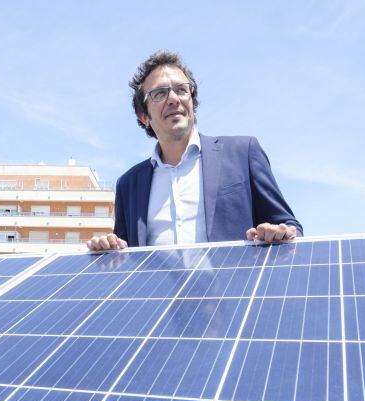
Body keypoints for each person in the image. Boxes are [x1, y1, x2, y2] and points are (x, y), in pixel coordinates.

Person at [88, 51, 302, 251]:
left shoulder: (243, 153)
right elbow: (124, 257)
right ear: (144, 117)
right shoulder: (129, 184)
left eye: (181, 89)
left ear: (192, 101)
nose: (174, 98)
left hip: (233, 290)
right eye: (160, 93)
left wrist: (281, 233)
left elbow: (290, 226)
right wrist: (107, 249)